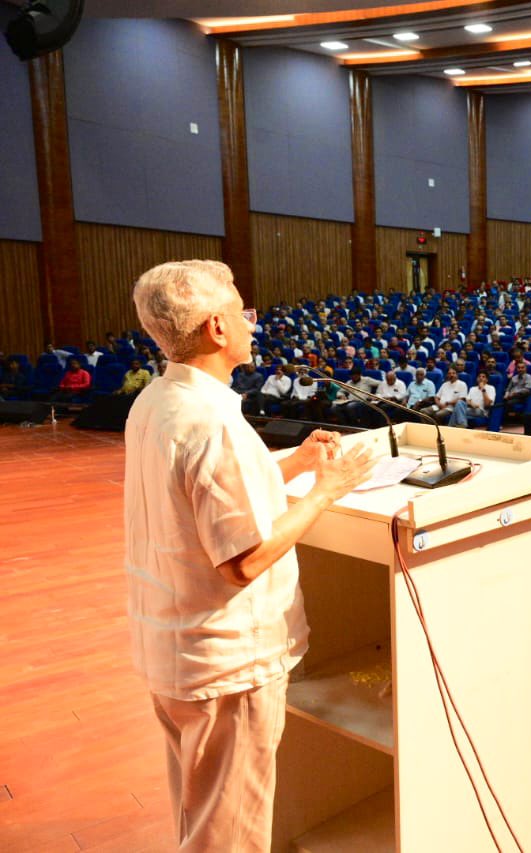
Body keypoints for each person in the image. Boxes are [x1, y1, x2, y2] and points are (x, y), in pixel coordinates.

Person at [125, 260, 376, 851]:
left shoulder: (156, 402)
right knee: (230, 835)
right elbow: (243, 559)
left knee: (202, 813)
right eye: (243, 311)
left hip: (174, 648)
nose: (251, 323)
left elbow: (206, 495)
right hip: (226, 664)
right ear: (216, 328)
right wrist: (328, 491)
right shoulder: (214, 423)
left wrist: (295, 463)